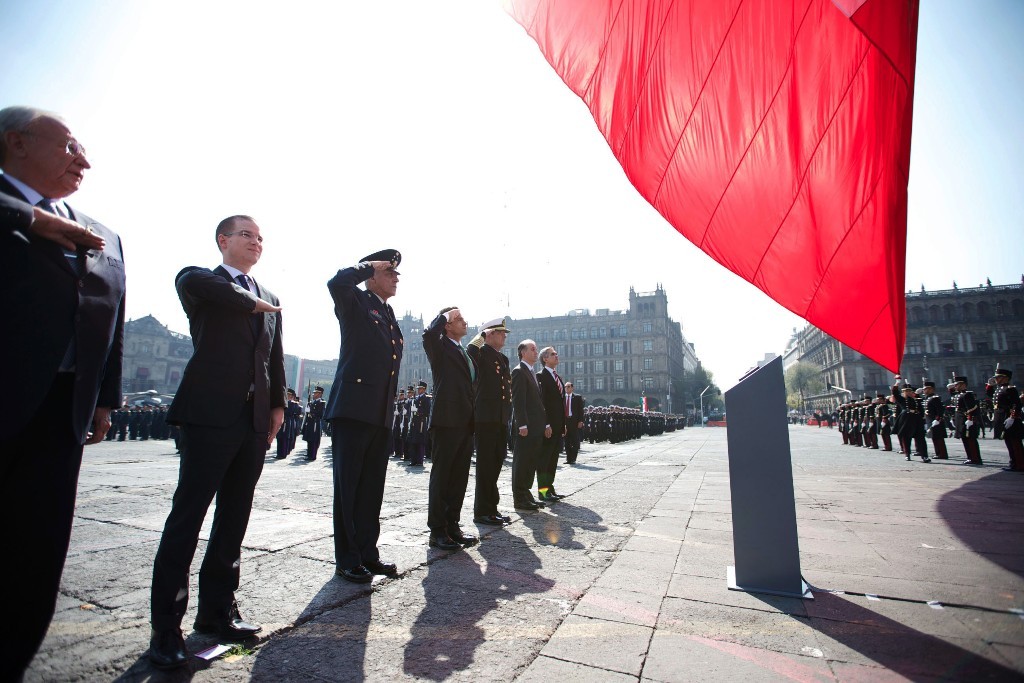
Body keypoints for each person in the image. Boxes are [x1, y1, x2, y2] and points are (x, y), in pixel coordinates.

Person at [0, 106, 126, 680]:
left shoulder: (105, 232)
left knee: (37, 551)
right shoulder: (15, 211)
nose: (84, 161)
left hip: (63, 411)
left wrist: (105, 397)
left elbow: (111, 320)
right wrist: (27, 216)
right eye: (70, 146)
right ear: (17, 143)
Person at [149, 215, 285, 669]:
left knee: (234, 518)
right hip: (208, 415)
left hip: (253, 419)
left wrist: (277, 405)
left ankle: (217, 611)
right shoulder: (199, 281)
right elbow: (206, 285)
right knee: (188, 517)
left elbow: (274, 356)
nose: (256, 242)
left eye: (260, 237)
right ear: (222, 240)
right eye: (246, 234)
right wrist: (251, 300)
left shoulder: (271, 298)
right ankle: (166, 628)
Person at [324, 250, 403, 584]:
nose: (396, 278)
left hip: (379, 412)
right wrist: (367, 266)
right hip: (354, 409)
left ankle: (368, 553)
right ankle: (347, 558)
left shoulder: (387, 312)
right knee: (349, 488)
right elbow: (336, 283)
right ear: (372, 276)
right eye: (389, 272)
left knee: (371, 488)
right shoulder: (355, 301)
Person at [422, 306, 480, 550]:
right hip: (446, 420)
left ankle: (452, 525)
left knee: (458, 477)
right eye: (459, 319)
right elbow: (428, 334)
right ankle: (437, 530)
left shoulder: (463, 351)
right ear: (446, 325)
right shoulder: (440, 346)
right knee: (443, 476)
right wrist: (446, 314)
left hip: (465, 421)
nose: (464, 322)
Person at [468, 317, 513, 527]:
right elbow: (469, 351)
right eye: (501, 332)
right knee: (485, 466)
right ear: (490, 334)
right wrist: (481, 335)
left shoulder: (502, 359)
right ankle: (482, 511)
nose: (504, 336)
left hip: (500, 418)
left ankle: (491, 508)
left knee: (496, 464)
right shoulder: (481, 353)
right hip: (485, 418)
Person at [510, 340, 547, 511]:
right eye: (532, 349)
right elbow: (518, 400)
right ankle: (519, 498)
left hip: (536, 426)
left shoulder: (531, 372)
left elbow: (538, 402)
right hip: (526, 427)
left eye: (536, 349)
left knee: (531, 462)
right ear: (523, 353)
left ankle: (526, 493)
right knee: (522, 462)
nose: (536, 352)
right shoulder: (519, 371)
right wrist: (522, 424)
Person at [536, 346, 568, 501]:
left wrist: (563, 424)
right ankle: (542, 492)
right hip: (548, 426)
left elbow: (561, 404)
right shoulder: (540, 376)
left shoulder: (557, 377)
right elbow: (541, 403)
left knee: (553, 458)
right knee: (545, 459)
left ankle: (549, 488)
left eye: (556, 353)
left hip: (558, 425)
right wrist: (546, 424)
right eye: (553, 354)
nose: (557, 356)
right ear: (545, 359)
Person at [990, 368, 1023, 471]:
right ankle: (1013, 463)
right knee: (1008, 442)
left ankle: (1020, 465)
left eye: (998, 377)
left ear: (1005, 378)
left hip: (1009, 418)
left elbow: (1016, 404)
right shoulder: (999, 389)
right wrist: (989, 386)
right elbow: (993, 396)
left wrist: (1012, 417)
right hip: (1002, 417)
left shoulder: (1010, 389)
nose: (996, 379)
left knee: (1015, 443)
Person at [951, 376, 983, 465]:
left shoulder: (967, 394)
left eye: (957, 384)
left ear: (963, 384)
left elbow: (972, 408)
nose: (955, 386)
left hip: (967, 421)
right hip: (961, 420)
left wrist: (970, 419)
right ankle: (970, 457)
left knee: (970, 440)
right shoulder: (959, 395)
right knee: (965, 439)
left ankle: (975, 458)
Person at [923, 381, 949, 460]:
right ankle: (938, 453)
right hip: (930, 420)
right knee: (934, 437)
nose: (924, 390)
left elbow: (940, 410)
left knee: (939, 438)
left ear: (931, 389)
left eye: (926, 389)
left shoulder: (935, 398)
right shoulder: (928, 398)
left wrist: (937, 419)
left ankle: (942, 454)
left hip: (936, 421)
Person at [407, 381, 431, 466]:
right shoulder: (416, 398)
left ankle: (419, 460)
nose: (418, 390)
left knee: (420, 441)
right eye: (418, 389)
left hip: (421, 422)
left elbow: (427, 411)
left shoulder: (426, 398)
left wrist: (418, 410)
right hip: (414, 422)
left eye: (420, 389)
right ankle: (413, 460)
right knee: (413, 441)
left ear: (424, 389)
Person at [302, 386, 326, 461]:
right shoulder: (313, 402)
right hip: (310, 423)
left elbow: (320, 414)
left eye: (316, 393)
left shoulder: (321, 402)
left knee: (314, 439)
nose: (314, 394)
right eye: (314, 393)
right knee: (309, 439)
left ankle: (312, 455)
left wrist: (311, 411)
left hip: (315, 423)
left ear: (320, 394)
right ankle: (309, 453)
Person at [564, 382, 585, 464]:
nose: (566, 388)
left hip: (574, 421)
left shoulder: (577, 397)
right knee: (566, 441)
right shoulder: (562, 397)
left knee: (575, 441)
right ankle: (568, 459)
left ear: (572, 388)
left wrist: (580, 421)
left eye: (568, 386)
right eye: (565, 387)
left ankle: (573, 458)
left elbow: (580, 410)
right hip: (565, 421)